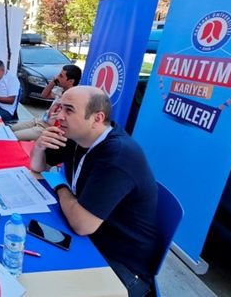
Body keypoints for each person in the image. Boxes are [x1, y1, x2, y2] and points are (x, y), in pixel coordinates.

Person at [30, 85, 158, 297]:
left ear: (97, 118)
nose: (59, 116)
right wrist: (40, 146)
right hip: (90, 239)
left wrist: (60, 185)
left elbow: (82, 224)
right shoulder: (77, 136)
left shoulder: (117, 154)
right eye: (60, 107)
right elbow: (38, 167)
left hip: (119, 267)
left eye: (69, 110)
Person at [11, 65, 82, 141]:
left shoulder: (72, 99)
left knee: (13, 136)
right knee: (11, 129)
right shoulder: (60, 90)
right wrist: (53, 82)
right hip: (40, 120)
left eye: (61, 76)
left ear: (71, 81)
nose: (57, 77)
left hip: (46, 128)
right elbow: (44, 95)